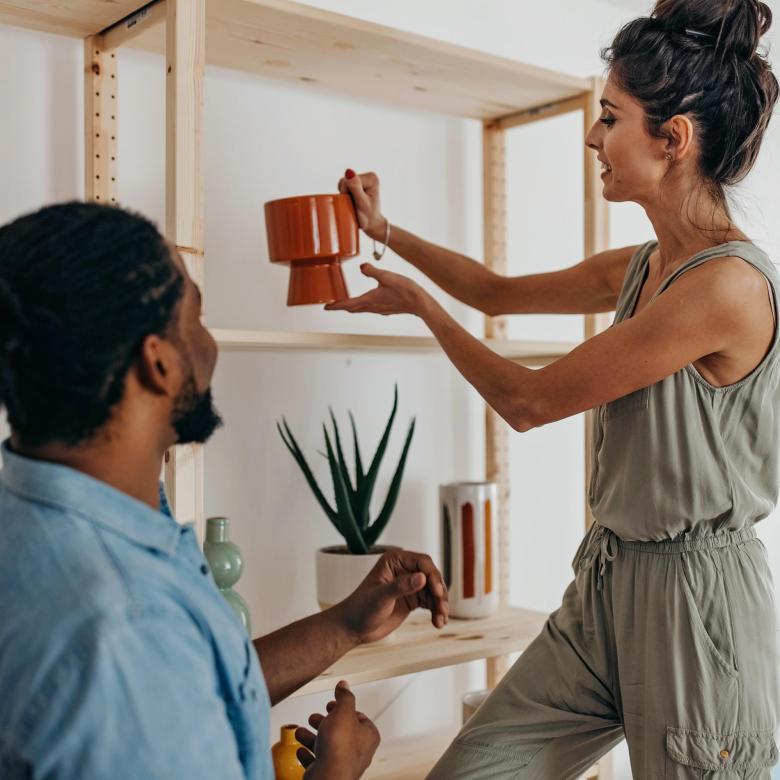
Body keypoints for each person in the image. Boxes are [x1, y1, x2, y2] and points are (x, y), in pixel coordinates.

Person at [328, 0, 780, 776]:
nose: (592, 137)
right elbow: (498, 292)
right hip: (608, 577)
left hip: (695, 608)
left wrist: (418, 307)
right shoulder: (645, 265)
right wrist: (388, 232)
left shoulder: (727, 288)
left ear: (671, 139)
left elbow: (528, 402)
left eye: (611, 117)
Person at [0, 201, 449, 780]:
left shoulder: (44, 522)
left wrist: (344, 625)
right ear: (157, 364)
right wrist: (334, 774)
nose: (208, 345)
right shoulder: (125, 623)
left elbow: (178, 695)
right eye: (197, 316)